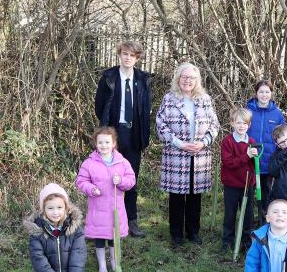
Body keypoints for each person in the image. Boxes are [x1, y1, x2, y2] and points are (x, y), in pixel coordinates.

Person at [155, 62, 220, 246]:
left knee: (194, 195)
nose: (188, 81)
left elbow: (215, 125)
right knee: (176, 196)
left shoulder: (204, 99)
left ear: (197, 80)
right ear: (178, 78)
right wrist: (179, 143)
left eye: (192, 78)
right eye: (184, 77)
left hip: (199, 155)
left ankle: (193, 232)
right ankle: (176, 234)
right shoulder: (169, 99)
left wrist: (204, 142)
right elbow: (160, 125)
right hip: (176, 153)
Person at [94, 40, 152, 237]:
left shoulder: (143, 79)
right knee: (109, 179)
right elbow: (99, 105)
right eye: (125, 54)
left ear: (137, 58)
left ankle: (131, 221)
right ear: (120, 55)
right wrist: (107, 130)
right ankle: (109, 222)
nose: (128, 58)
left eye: (132, 55)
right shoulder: (109, 77)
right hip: (114, 134)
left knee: (130, 179)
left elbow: (146, 108)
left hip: (134, 134)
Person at [75, 127, 137, 272]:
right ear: (96, 144)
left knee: (113, 238)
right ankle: (102, 264)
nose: (104, 145)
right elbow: (80, 181)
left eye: (107, 142)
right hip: (98, 208)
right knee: (99, 237)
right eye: (100, 142)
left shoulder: (122, 162)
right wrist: (91, 189)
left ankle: (114, 262)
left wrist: (121, 180)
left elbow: (131, 180)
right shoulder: (89, 163)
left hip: (116, 208)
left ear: (114, 143)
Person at [246, 80, 287, 225]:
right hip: (250, 161)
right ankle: (248, 223)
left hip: (268, 162)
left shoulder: (277, 114)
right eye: (261, 92)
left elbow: (282, 136)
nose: (264, 95)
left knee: (266, 193)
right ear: (256, 93)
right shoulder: (248, 111)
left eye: (267, 92)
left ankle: (264, 220)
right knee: (249, 193)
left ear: (271, 94)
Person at [220, 107, 259, 253]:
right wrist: (247, 156)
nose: (241, 126)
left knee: (248, 215)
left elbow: (254, 164)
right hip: (231, 185)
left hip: (247, 185)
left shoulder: (252, 142)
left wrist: (255, 157)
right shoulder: (227, 141)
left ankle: (246, 241)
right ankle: (227, 241)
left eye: (245, 123)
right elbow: (228, 162)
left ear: (249, 125)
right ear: (232, 123)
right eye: (238, 123)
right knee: (230, 214)